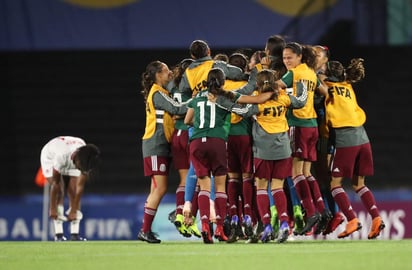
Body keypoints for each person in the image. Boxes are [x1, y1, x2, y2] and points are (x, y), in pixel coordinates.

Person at [212, 69, 308, 243]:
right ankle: (285, 223)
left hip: (263, 150)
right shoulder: (284, 99)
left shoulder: (257, 103)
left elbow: (239, 110)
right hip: (283, 148)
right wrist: (302, 84)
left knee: (262, 187)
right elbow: (301, 101)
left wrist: (219, 101)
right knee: (278, 187)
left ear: (258, 84)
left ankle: (267, 225)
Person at [320, 58, 385, 239]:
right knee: (359, 184)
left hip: (345, 138)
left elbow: (318, 81)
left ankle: (352, 220)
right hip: (363, 137)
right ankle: (376, 218)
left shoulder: (328, 87)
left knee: (334, 184)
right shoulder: (347, 85)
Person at [276, 42, 329, 235]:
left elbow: (274, 87)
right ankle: (323, 210)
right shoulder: (311, 72)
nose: (287, 61)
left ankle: (312, 212)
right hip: (313, 125)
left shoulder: (294, 73)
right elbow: (325, 91)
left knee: (295, 172)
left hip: (298, 125)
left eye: (290, 57)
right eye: (284, 58)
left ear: (299, 57)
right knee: (307, 172)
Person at [138, 60, 188, 243]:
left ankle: (146, 230)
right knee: (160, 188)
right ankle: (144, 230)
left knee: (156, 188)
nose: (170, 74)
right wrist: (198, 103)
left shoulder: (161, 92)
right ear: (158, 75)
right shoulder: (158, 93)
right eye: (166, 71)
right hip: (155, 145)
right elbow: (176, 108)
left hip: (160, 145)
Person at [40, 136, 100, 241]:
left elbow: (79, 187)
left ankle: (75, 235)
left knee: (73, 190)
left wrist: (74, 209)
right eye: (80, 167)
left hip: (70, 157)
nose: (81, 170)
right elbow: (55, 184)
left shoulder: (85, 158)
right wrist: (53, 208)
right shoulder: (60, 156)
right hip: (49, 157)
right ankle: (58, 235)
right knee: (60, 191)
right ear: (76, 160)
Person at [312, 45, 344, 235]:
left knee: (325, 175)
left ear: (325, 58)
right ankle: (329, 213)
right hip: (316, 130)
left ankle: (335, 212)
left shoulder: (325, 79)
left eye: (318, 54)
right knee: (318, 175)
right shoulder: (315, 76)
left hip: (324, 131)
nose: (314, 56)